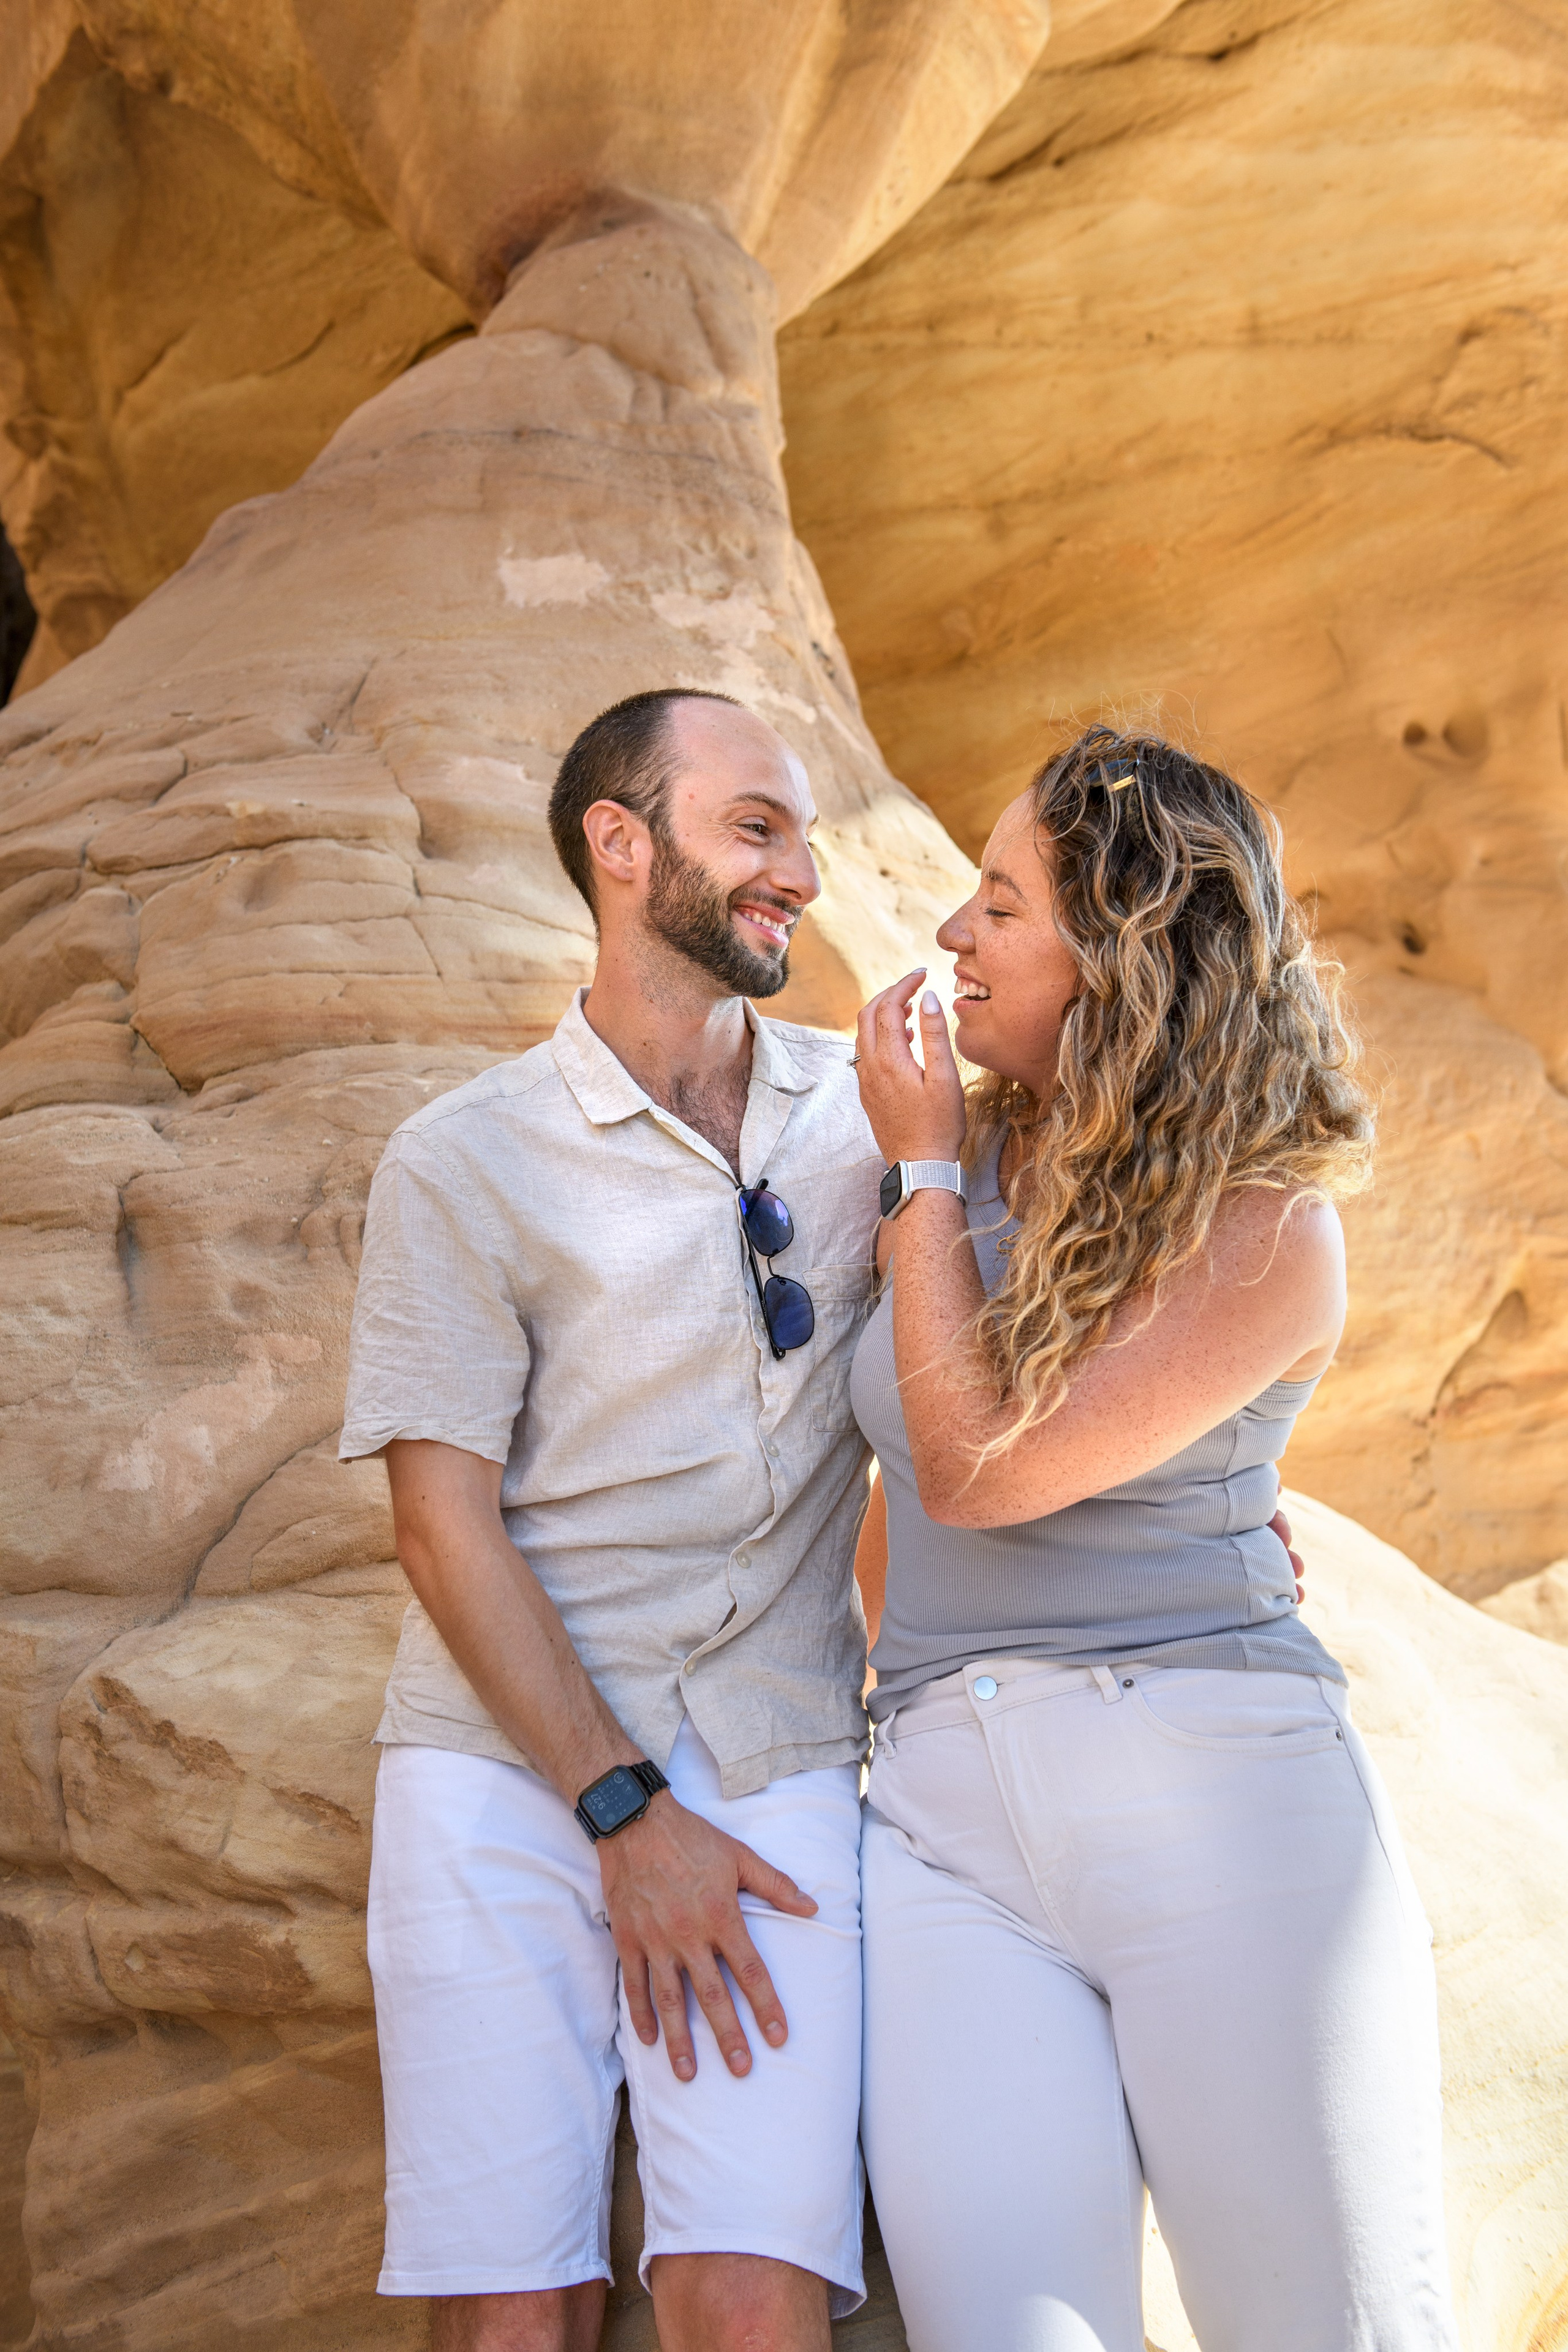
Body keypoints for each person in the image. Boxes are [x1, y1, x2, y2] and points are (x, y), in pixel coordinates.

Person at [848, 727, 1460, 2351]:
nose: (951, 935)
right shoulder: (945, 1167)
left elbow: (978, 1467)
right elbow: (898, 1497)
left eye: (998, 903)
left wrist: (913, 1167)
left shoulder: (1265, 1224)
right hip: (941, 1837)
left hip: (1221, 1814)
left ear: (1117, 956)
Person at [339, 687, 884, 2352]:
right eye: (756, 828)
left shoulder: (876, 1118)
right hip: (502, 1771)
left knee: (753, 2294)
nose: (799, 871)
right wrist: (623, 1816)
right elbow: (442, 1530)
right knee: (518, 2307)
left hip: (778, 1745)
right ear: (619, 842)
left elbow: (1047, 1316)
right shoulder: (462, 1158)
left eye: (803, 834)